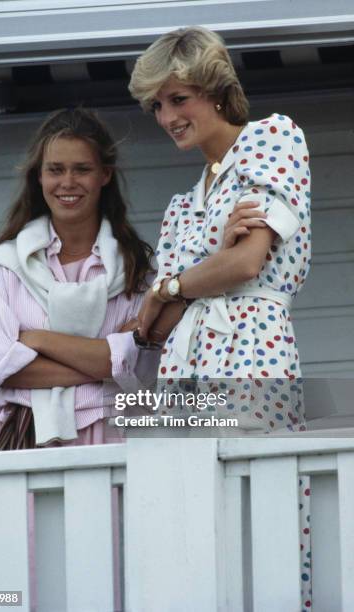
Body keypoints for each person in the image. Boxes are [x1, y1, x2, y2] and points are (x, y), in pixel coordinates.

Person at [129, 26, 312, 610]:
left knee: (263, 517)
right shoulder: (182, 206)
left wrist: (178, 284)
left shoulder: (272, 138)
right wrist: (186, 282)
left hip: (252, 352)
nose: (167, 116)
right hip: (182, 371)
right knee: (188, 524)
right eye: (157, 105)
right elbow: (150, 329)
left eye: (178, 98)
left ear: (214, 90)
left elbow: (247, 261)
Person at [0, 106, 159, 450]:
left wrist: (38, 341)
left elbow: (145, 367)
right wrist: (108, 362)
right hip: (31, 438)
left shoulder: (137, 272)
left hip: (119, 440)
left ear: (105, 174)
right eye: (55, 170)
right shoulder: (3, 268)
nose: (68, 183)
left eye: (82, 169)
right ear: (38, 176)